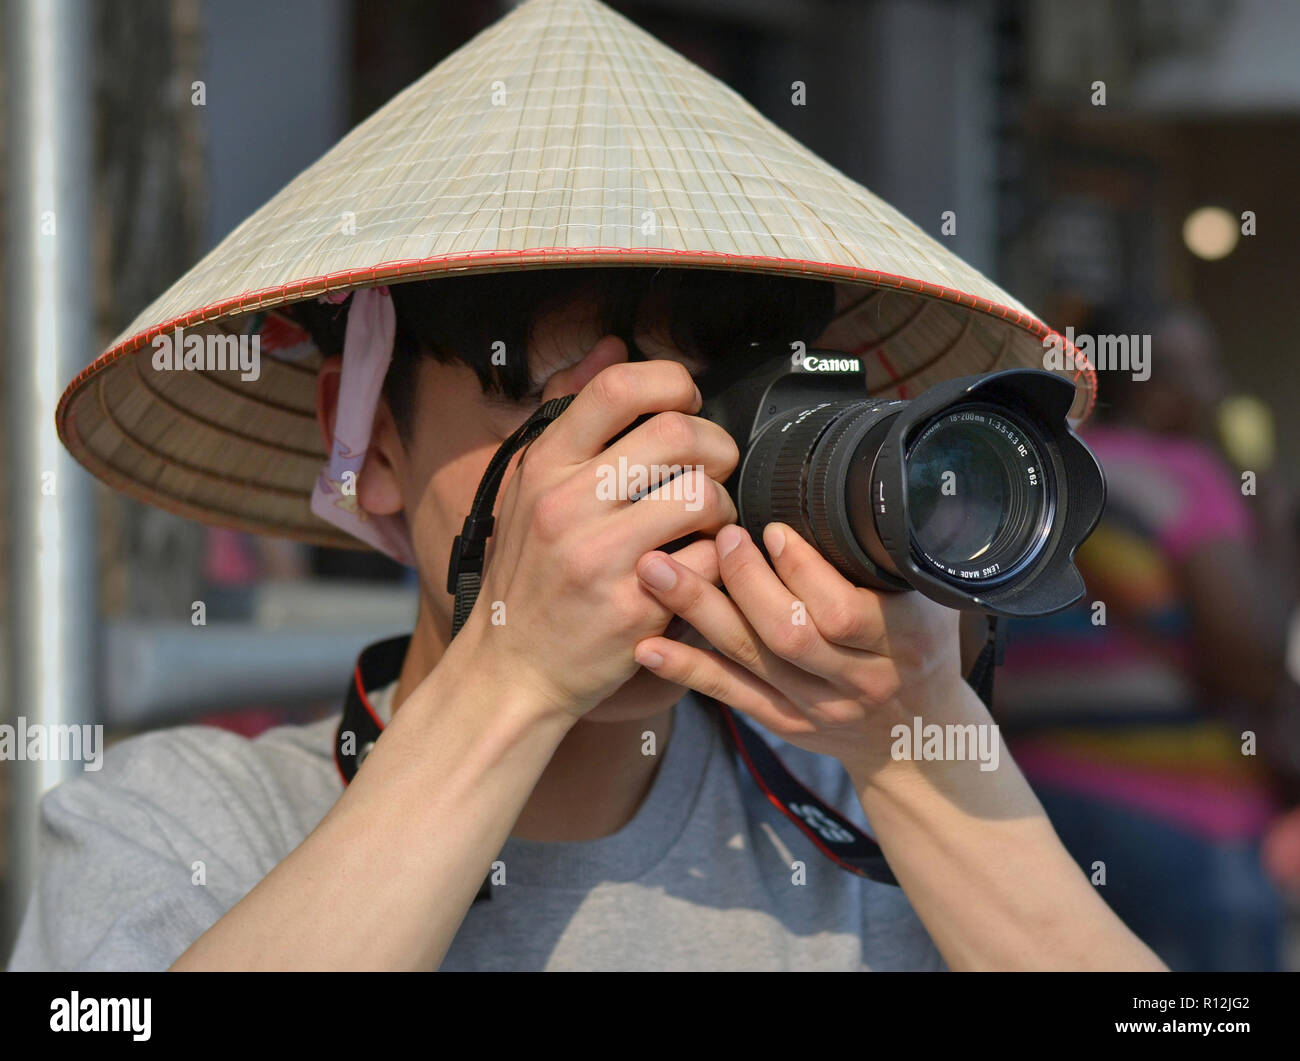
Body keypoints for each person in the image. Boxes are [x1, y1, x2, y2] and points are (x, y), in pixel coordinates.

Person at [9, 0, 1163, 972]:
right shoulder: (178, 823)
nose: (658, 471)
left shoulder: (876, 828)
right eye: (556, 397)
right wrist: (509, 680)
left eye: (725, 399)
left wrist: (911, 732)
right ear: (369, 442)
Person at [995, 301, 1296, 970]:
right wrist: (1273, 537)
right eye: (1201, 371)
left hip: (1035, 805)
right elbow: (1251, 661)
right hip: (1180, 817)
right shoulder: (1184, 474)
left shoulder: (1034, 470)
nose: (1214, 389)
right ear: (1158, 394)